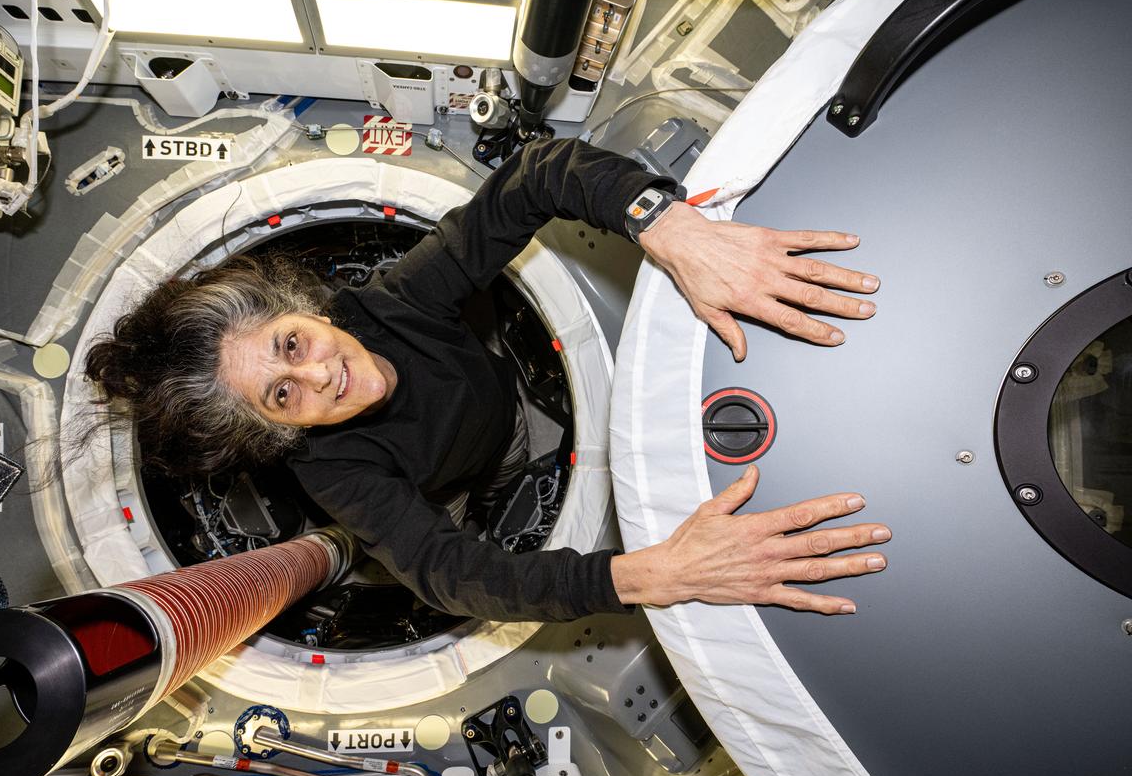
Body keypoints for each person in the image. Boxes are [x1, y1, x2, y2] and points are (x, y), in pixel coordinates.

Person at [85, 138, 890, 622]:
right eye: (282, 393)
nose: (322, 372)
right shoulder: (334, 470)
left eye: (292, 343)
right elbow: (454, 573)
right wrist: (659, 574)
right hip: (471, 485)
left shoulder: (389, 303)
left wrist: (673, 226)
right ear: (276, 431)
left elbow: (535, 178)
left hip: (513, 388)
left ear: (305, 308)